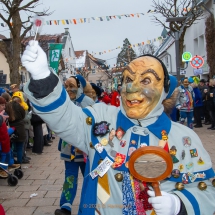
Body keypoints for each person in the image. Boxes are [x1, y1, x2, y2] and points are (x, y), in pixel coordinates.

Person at [22, 41, 215, 215]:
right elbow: (65, 118)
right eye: (128, 79)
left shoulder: (183, 138)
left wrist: (179, 205)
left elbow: (207, 191)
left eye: (146, 80)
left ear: (164, 90)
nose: (131, 88)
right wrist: (42, 77)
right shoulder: (100, 120)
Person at [55, 75, 94, 215]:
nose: (68, 89)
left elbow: (95, 123)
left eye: (72, 86)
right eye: (66, 86)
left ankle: (90, 205)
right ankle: (65, 206)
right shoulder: (65, 102)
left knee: (90, 178)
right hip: (68, 147)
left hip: (84, 148)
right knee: (69, 177)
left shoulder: (88, 102)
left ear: (80, 87)